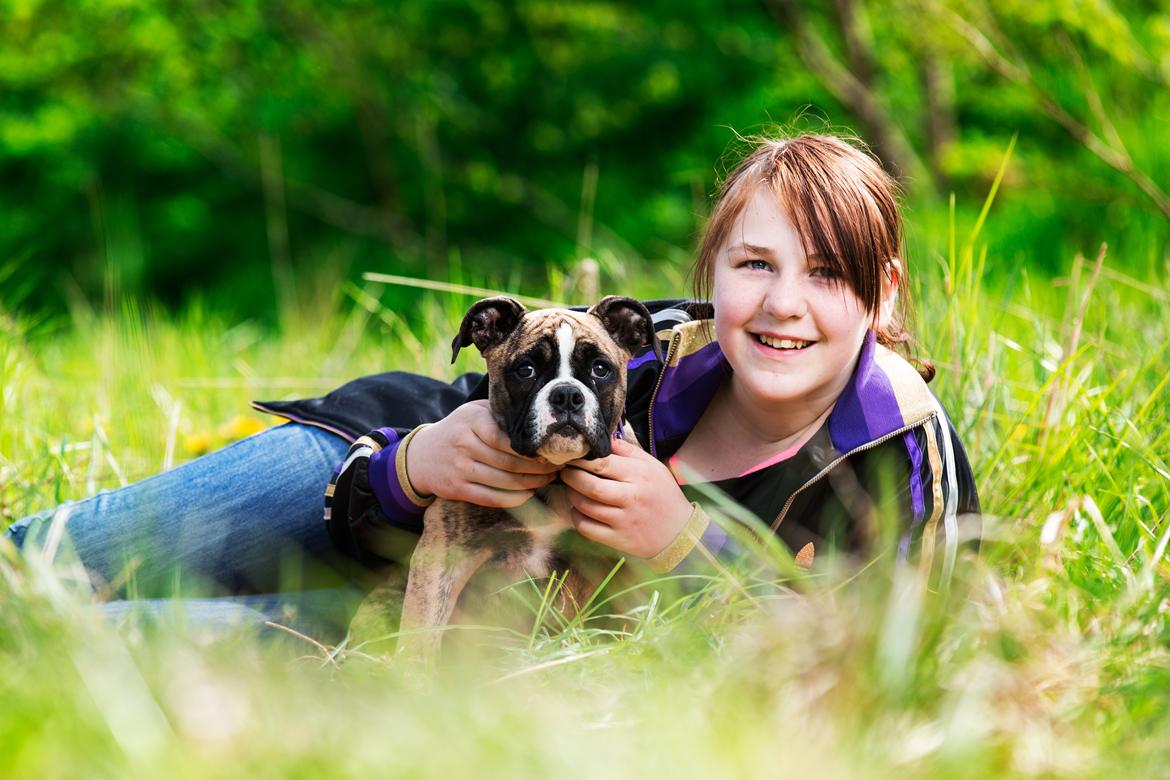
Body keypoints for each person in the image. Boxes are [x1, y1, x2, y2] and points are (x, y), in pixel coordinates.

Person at [3, 133, 980, 639]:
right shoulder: (648, 350)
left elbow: (890, 666)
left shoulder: (900, 444)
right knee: (36, 568)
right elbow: (506, 379)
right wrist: (411, 466)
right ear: (712, 267)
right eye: (755, 264)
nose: (785, 305)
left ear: (882, 290)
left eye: (828, 271)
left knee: (82, 641)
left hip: (420, 623)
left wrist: (690, 546)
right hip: (350, 470)